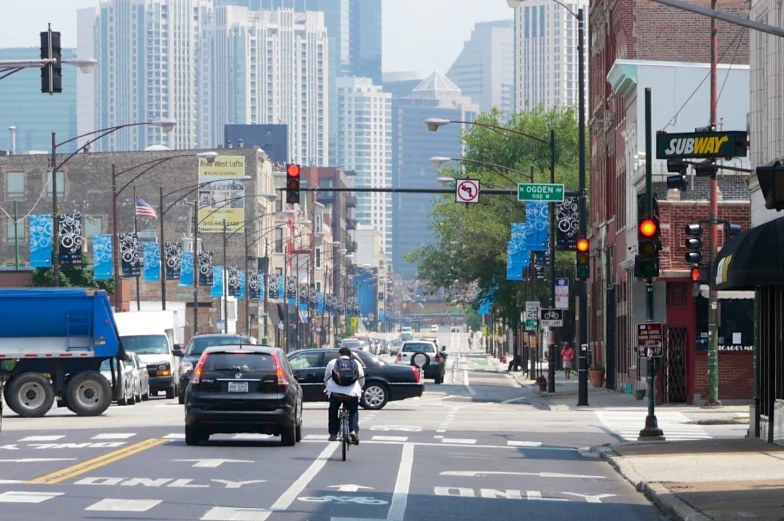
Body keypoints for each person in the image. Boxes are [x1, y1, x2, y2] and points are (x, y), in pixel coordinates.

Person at [324, 347, 365, 444]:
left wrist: (327, 387)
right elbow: (361, 379)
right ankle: (353, 430)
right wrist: (360, 388)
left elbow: (326, 377)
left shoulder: (333, 362)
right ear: (350, 355)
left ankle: (333, 434)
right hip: (352, 393)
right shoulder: (356, 363)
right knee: (354, 410)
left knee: (333, 410)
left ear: (339, 354)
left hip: (335, 392)